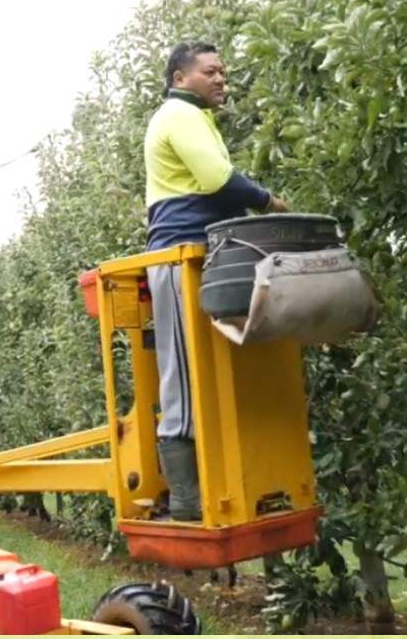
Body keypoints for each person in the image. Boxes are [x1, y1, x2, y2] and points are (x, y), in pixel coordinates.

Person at [143, 41, 287, 521]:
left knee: (215, 368)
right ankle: (185, 501)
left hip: (210, 251)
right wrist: (268, 202)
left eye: (224, 71)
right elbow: (217, 180)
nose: (222, 78)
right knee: (183, 374)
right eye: (211, 71)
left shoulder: (196, 119)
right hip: (180, 256)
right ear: (180, 78)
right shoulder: (178, 116)